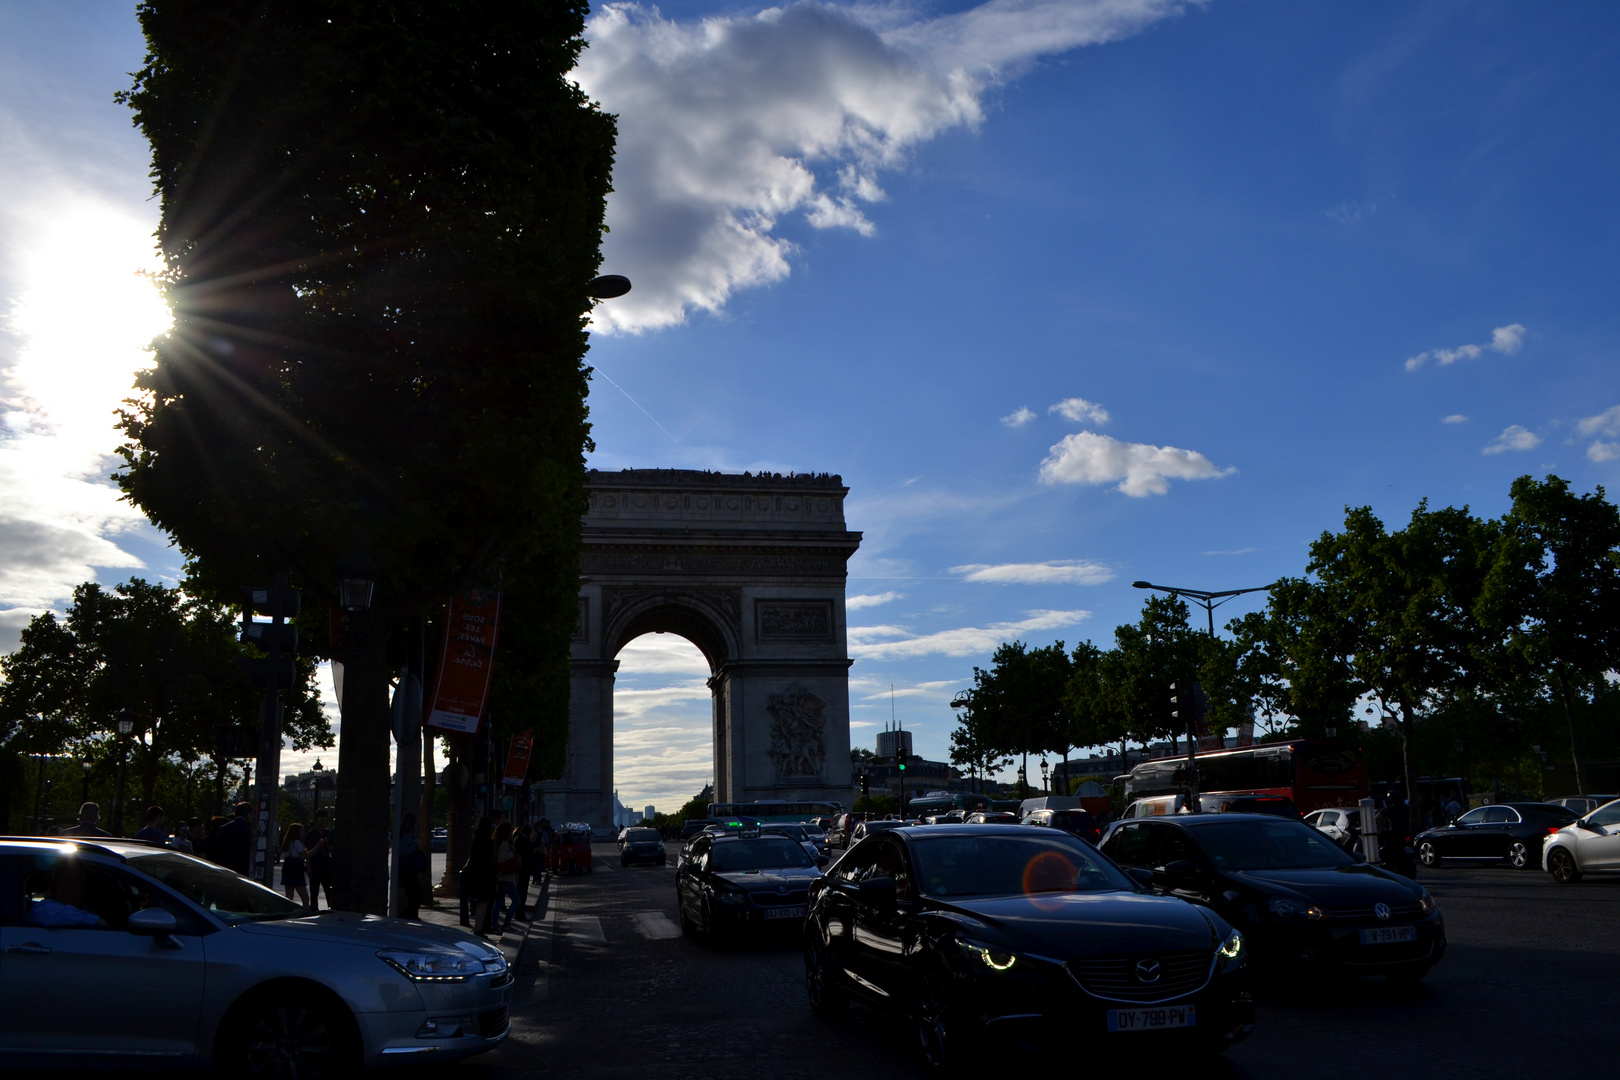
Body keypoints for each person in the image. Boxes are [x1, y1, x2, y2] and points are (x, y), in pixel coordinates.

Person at [29, 859, 104, 927]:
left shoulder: (88, 910)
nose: (69, 888)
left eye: (75, 882)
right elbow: (50, 915)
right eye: (64, 882)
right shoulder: (44, 907)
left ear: (84, 887)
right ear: (53, 886)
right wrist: (96, 921)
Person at [462, 816, 497, 937]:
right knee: (484, 902)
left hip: (477, 875)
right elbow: (489, 860)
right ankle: (479, 929)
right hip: (485, 877)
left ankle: (479, 927)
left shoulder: (476, 841)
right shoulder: (487, 842)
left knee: (481, 903)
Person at [398, 813, 427, 919]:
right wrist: (416, 844)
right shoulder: (406, 836)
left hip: (406, 871)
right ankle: (405, 918)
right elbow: (403, 851)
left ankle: (409, 917)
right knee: (414, 897)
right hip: (408, 872)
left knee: (414, 897)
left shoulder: (403, 835)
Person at [493, 822, 520, 933]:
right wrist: (512, 853)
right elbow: (501, 858)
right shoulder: (504, 844)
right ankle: (506, 924)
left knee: (498, 902)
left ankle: (494, 925)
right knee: (516, 900)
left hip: (501, 878)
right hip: (506, 878)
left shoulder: (500, 843)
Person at [305, 811, 335, 910]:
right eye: (320, 820)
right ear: (316, 821)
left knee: (328, 889)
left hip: (326, 865)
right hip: (314, 865)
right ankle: (314, 909)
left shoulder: (328, 834)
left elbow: (333, 850)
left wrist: (327, 843)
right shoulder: (311, 834)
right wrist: (308, 867)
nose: (322, 822)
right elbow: (307, 852)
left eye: (324, 820)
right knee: (314, 891)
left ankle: (330, 907)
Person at [213, 802, 253, 876]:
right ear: (248, 814)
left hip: (228, 865)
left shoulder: (225, 828)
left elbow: (217, 849)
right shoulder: (251, 828)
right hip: (245, 866)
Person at [281, 822, 309, 907]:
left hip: (287, 870)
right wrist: (317, 846)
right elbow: (306, 855)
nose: (303, 832)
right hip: (296, 872)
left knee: (289, 896)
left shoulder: (287, 843)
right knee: (305, 897)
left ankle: (287, 913)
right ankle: (306, 912)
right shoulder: (297, 842)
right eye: (301, 830)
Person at [513, 823, 535, 920]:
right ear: (528, 832)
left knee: (521, 892)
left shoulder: (520, 838)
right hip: (522, 870)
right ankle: (519, 914)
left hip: (522, 869)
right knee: (521, 892)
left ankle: (520, 913)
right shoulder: (521, 840)